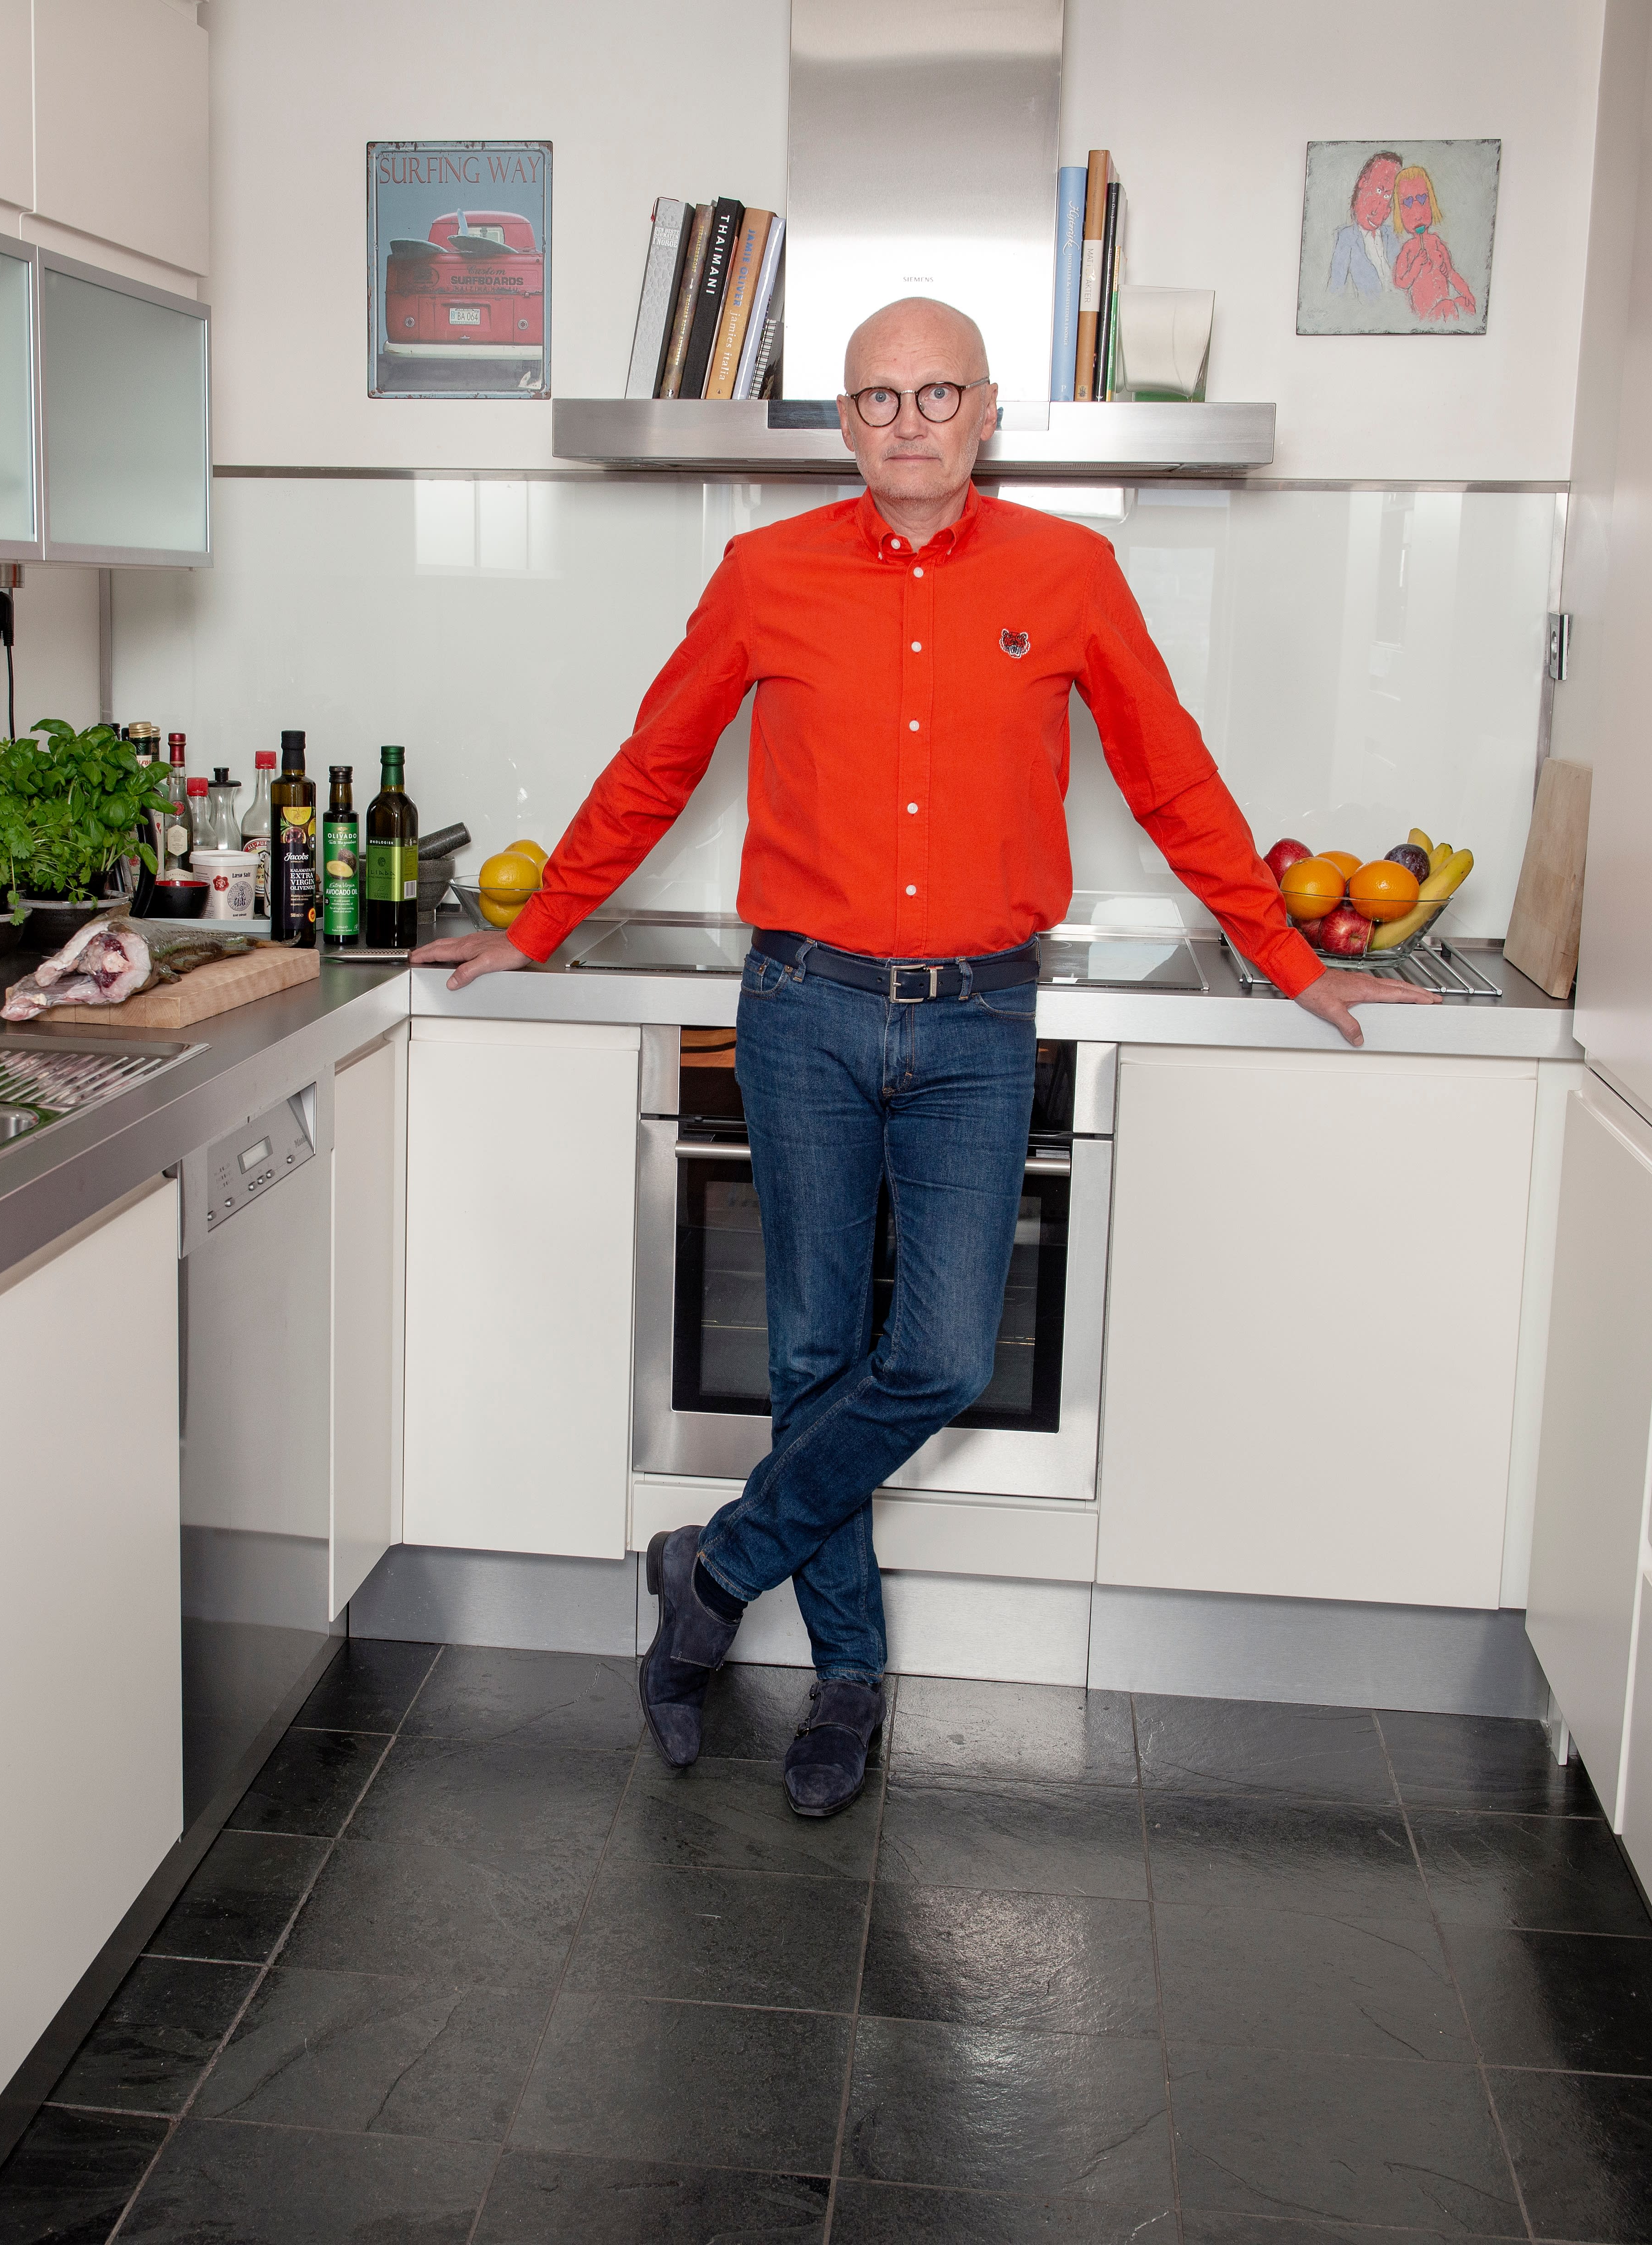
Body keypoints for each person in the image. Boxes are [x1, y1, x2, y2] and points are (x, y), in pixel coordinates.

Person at [412, 298, 1438, 1815]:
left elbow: (1171, 777)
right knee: (814, 1358)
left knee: (944, 1356)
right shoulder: (763, 575)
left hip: (975, 1018)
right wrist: (541, 926)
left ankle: (713, 1571)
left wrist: (1292, 960)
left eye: (938, 392)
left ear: (984, 410)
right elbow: (655, 764)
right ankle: (848, 1678)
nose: (910, 421)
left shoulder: (1067, 574)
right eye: (880, 398)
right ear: (846, 422)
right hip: (802, 1007)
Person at [1391, 164, 1480, 324]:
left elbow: (1452, 274)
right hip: (1426, 317)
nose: (1418, 215)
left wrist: (1467, 294)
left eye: (1423, 200)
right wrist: (1415, 267)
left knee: (1464, 305)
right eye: (1408, 204)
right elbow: (1400, 282)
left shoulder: (1436, 243)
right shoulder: (1408, 250)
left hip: (1445, 308)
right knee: (1448, 306)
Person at [1327, 150, 1403, 298]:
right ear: (1362, 183)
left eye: (1387, 196)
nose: (1377, 209)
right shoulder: (1346, 238)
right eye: (1378, 190)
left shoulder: (1393, 237)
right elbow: (1336, 292)